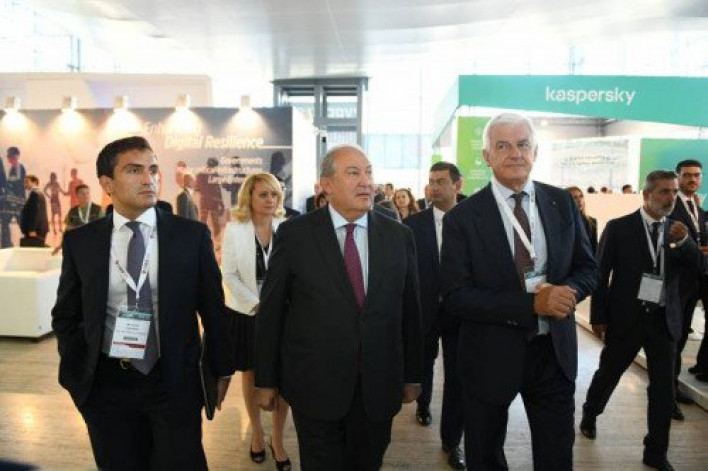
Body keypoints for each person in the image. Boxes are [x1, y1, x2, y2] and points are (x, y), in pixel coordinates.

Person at [51, 136, 235, 470]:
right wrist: (78, 375)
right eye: (134, 170)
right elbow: (66, 314)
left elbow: (213, 309)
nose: (148, 178)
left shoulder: (190, 236)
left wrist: (221, 368)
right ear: (107, 183)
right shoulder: (82, 241)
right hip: (107, 385)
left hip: (173, 380)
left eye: (152, 169)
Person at [440, 112, 597, 470]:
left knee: (557, 456)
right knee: (485, 457)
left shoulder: (561, 203)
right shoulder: (462, 218)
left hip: (553, 353)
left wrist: (568, 291)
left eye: (523, 144)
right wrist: (532, 305)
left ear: (535, 152)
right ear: (487, 156)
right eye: (503, 146)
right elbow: (456, 296)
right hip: (489, 355)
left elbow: (588, 269)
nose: (515, 153)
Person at [254, 144, 423, 471]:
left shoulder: (399, 236)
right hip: (315, 385)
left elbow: (410, 311)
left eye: (369, 172)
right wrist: (266, 379)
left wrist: (413, 375)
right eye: (353, 173)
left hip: (378, 384)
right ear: (327, 185)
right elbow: (272, 311)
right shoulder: (295, 234)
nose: (366, 182)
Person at [580, 170, 708, 471]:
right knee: (609, 373)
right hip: (627, 318)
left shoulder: (679, 230)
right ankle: (591, 412)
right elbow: (601, 274)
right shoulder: (619, 227)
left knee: (663, 390)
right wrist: (598, 316)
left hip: (665, 321)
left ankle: (656, 452)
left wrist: (686, 242)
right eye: (664, 191)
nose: (670, 198)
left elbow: (701, 267)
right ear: (647, 194)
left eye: (674, 192)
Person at [221, 173, 291, 470]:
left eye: (274, 194)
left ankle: (278, 439)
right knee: (250, 375)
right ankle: (258, 435)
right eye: (263, 194)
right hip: (248, 313)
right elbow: (229, 275)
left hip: (283, 314)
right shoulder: (234, 229)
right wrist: (257, 304)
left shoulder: (287, 228)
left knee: (283, 378)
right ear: (248, 197)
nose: (270, 200)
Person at [404, 162, 465, 470]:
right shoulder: (413, 225)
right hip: (424, 309)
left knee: (457, 375)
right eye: (431, 181)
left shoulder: (473, 220)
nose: (434, 187)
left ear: (457, 184)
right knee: (423, 362)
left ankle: (452, 441)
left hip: (461, 311)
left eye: (441, 181)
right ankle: (423, 404)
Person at [669, 160, 708, 392]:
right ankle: (669, 389)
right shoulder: (671, 207)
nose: (692, 179)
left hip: (700, 279)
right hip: (680, 281)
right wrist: (694, 249)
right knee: (676, 335)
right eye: (687, 175)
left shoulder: (699, 210)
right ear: (678, 177)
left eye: (697, 175)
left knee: (682, 334)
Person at [52, 184, 104, 255]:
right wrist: (60, 246)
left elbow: (103, 229)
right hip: (78, 247)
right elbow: (67, 231)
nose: (86, 195)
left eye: (87, 193)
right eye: (82, 193)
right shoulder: (73, 212)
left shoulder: (98, 210)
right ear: (77, 195)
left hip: (94, 247)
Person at [1, 146, 26, 248]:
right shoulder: (12, 168)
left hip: (17, 201)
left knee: (21, 223)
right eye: (8, 156)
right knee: (5, 222)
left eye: (10, 156)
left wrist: (7, 184)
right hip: (11, 201)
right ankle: (6, 244)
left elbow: (18, 182)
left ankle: (28, 241)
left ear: (16, 156)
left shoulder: (19, 167)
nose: (8, 158)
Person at [567, 186, 599, 254]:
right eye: (575, 197)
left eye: (581, 196)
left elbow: (594, 248)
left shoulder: (591, 222)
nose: (579, 200)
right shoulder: (561, 222)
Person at [19, 175, 49, 246]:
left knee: (34, 250)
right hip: (36, 230)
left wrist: (32, 229)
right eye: (24, 182)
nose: (24, 184)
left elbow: (36, 213)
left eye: (26, 182)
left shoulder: (35, 194)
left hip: (35, 231)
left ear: (35, 182)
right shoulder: (36, 193)